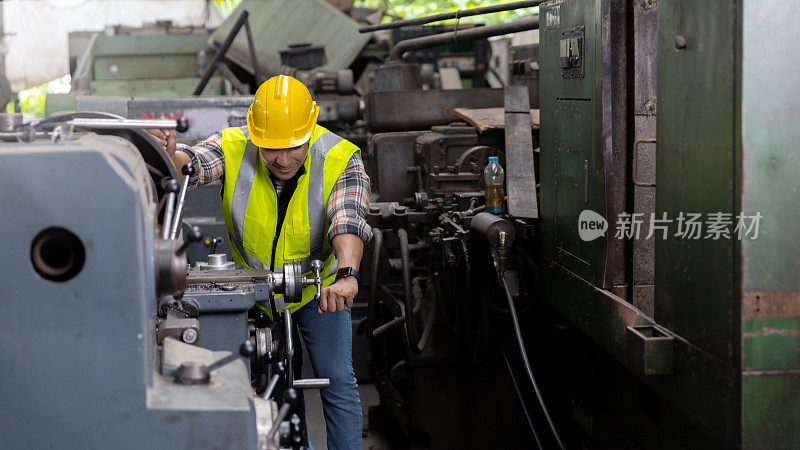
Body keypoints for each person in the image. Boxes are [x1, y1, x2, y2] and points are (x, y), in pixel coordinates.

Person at [148, 75, 370, 449]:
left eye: (294, 147)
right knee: (280, 383)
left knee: (336, 379)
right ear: (255, 135)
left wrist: (347, 275)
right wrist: (170, 154)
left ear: (310, 129)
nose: (283, 160)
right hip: (260, 293)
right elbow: (194, 163)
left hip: (321, 291)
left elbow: (348, 217)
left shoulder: (339, 157)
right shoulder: (236, 145)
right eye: (271, 149)